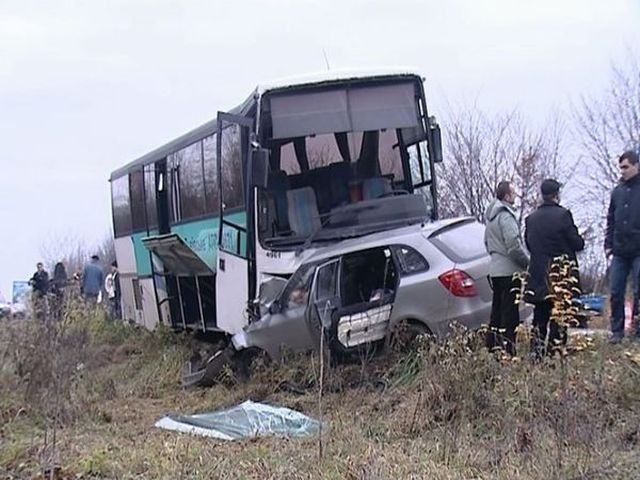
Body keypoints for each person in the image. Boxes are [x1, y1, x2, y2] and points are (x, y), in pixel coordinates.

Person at [525, 179, 585, 356]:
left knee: (540, 316)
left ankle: (536, 353)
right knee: (560, 315)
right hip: (560, 274)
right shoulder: (563, 216)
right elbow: (576, 243)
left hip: (538, 274)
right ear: (556, 194)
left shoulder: (531, 219)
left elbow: (529, 244)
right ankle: (555, 352)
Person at [484, 181, 529, 355]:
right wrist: (527, 263)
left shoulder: (491, 218)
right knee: (510, 314)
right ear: (507, 196)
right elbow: (514, 245)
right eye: (513, 192)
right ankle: (509, 350)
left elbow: (487, 243)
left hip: (495, 271)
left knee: (496, 313)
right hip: (510, 271)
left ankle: (493, 348)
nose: (516, 196)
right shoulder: (506, 216)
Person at [605, 150, 640, 343]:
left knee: (639, 291)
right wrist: (608, 244)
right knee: (616, 291)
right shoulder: (617, 192)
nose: (623, 171)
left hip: (638, 250)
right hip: (619, 250)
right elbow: (611, 219)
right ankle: (616, 331)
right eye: (621, 168)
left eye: (626, 167)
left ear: (636, 166)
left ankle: (637, 330)